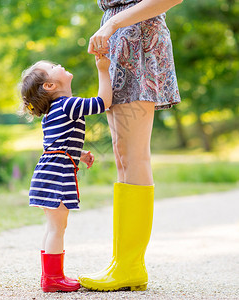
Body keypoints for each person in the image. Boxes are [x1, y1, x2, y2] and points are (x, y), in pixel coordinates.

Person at [79, 0, 183, 292]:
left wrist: (113, 23)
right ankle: (121, 262)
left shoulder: (121, 22)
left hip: (138, 41)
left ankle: (131, 265)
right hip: (122, 42)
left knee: (134, 156)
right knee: (123, 156)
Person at [18, 56, 112, 292]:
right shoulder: (68, 105)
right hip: (56, 175)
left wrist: (79, 154)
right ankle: (53, 279)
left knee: (53, 227)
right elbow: (104, 102)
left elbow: (57, 144)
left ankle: (49, 276)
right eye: (52, 67)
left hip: (48, 171)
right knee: (57, 228)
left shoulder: (53, 111)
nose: (58, 65)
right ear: (50, 86)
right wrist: (103, 69)